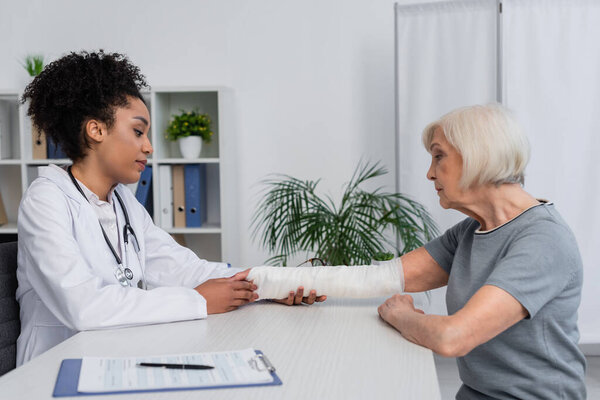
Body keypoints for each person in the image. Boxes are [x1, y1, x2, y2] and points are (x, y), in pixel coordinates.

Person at [16, 50, 323, 366]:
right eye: (138, 131)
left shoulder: (123, 202)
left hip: (115, 359)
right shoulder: (46, 200)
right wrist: (198, 300)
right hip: (53, 370)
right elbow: (83, 306)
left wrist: (268, 284)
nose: (149, 147)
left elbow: (184, 268)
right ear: (96, 130)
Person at [377, 104, 586, 399]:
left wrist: (400, 315)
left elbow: (453, 338)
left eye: (438, 157)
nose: (429, 173)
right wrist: (304, 283)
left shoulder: (544, 240)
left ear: (478, 155)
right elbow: (387, 276)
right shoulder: (471, 231)